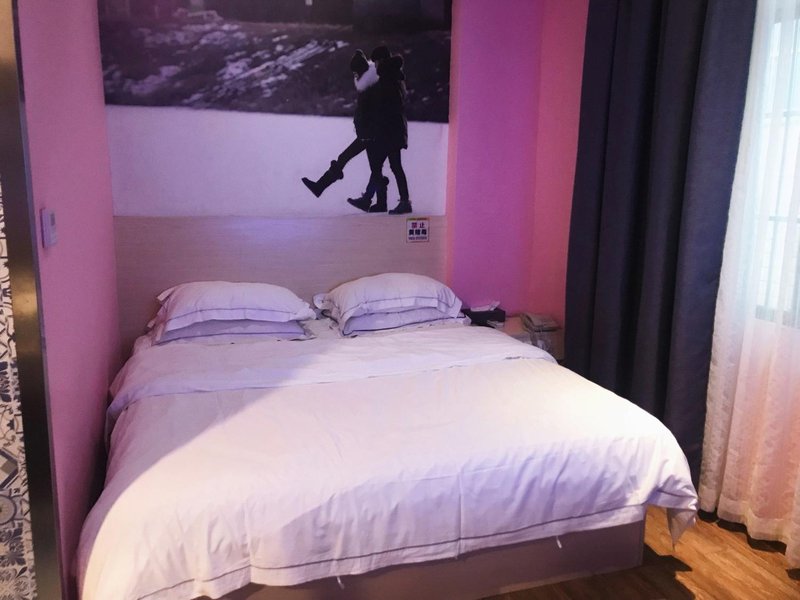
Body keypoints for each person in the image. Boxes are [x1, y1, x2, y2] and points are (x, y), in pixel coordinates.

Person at [300, 50, 386, 199]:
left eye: (356, 72)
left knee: (358, 162)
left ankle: (320, 186)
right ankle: (378, 201)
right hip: (367, 133)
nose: (355, 75)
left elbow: (372, 111)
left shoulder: (370, 86)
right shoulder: (367, 84)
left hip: (370, 134)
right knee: (374, 168)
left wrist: (367, 129)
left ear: (361, 70)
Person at [348, 46, 411, 215]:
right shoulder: (393, 76)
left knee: (393, 166)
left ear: (381, 60)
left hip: (390, 130)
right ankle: (374, 200)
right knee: (381, 166)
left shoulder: (388, 78)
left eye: (375, 62)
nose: (374, 65)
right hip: (392, 129)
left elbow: (387, 107)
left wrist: (375, 123)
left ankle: (403, 202)